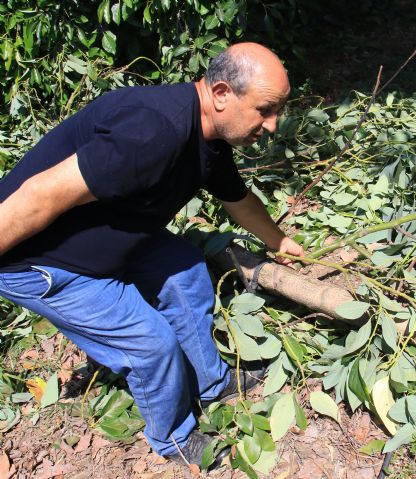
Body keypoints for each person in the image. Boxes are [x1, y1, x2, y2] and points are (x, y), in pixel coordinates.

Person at [0, 42, 304, 467]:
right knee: (151, 345)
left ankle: (211, 382)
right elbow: (38, 195)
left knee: (187, 273)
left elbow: (238, 200)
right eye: (265, 110)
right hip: (44, 262)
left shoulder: (209, 137)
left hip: (112, 234)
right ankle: (174, 438)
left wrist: (279, 241)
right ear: (220, 94)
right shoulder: (152, 132)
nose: (272, 125)